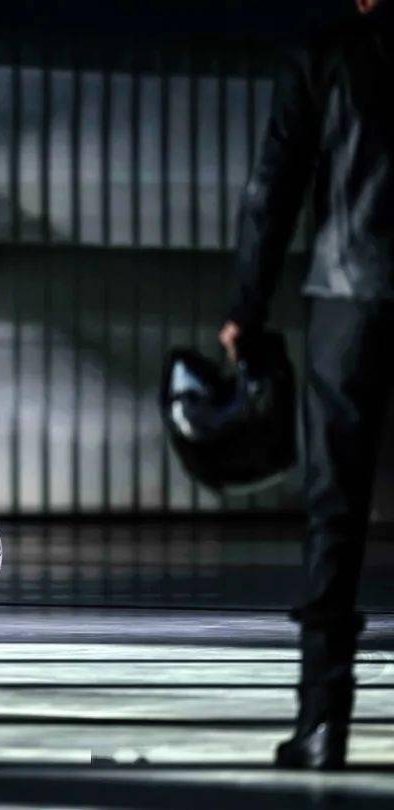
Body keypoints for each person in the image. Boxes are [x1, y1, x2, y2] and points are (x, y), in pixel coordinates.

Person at [220, 0, 394, 770]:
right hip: (349, 290)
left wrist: (246, 308)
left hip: (349, 294)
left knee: (336, 510)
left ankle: (324, 722)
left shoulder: (325, 51)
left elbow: (275, 183)